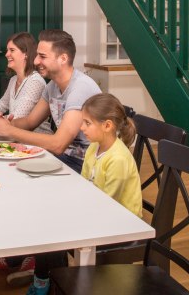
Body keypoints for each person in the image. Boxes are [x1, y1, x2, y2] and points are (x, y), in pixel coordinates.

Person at [24, 93, 142, 295]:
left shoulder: (118, 159)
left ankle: (51, 281)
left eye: (87, 123)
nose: (81, 128)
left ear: (107, 126)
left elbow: (107, 205)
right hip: (99, 213)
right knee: (48, 219)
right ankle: (50, 279)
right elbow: (85, 186)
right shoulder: (94, 148)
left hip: (121, 226)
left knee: (54, 227)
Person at [0, 29, 101, 173]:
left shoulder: (80, 88)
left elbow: (58, 144)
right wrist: (2, 123)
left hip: (87, 165)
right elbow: (30, 122)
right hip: (64, 158)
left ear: (63, 59)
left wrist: (10, 131)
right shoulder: (52, 86)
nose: (35, 61)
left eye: (42, 56)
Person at [0, 32, 46, 118]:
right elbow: (2, 104)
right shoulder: (14, 80)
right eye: (7, 50)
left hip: (33, 131)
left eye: (12, 50)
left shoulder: (35, 82)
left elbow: (18, 117)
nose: (6, 54)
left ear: (26, 54)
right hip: (13, 129)